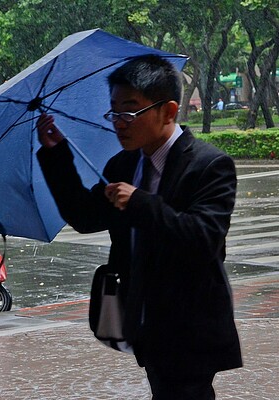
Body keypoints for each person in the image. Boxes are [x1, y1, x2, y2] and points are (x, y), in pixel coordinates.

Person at [36, 55, 242, 399]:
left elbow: (203, 239)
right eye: (114, 112)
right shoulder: (125, 163)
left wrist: (140, 203)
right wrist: (58, 155)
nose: (119, 123)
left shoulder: (209, 166)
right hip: (147, 323)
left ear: (169, 111)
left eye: (130, 111)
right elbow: (87, 217)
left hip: (191, 328)